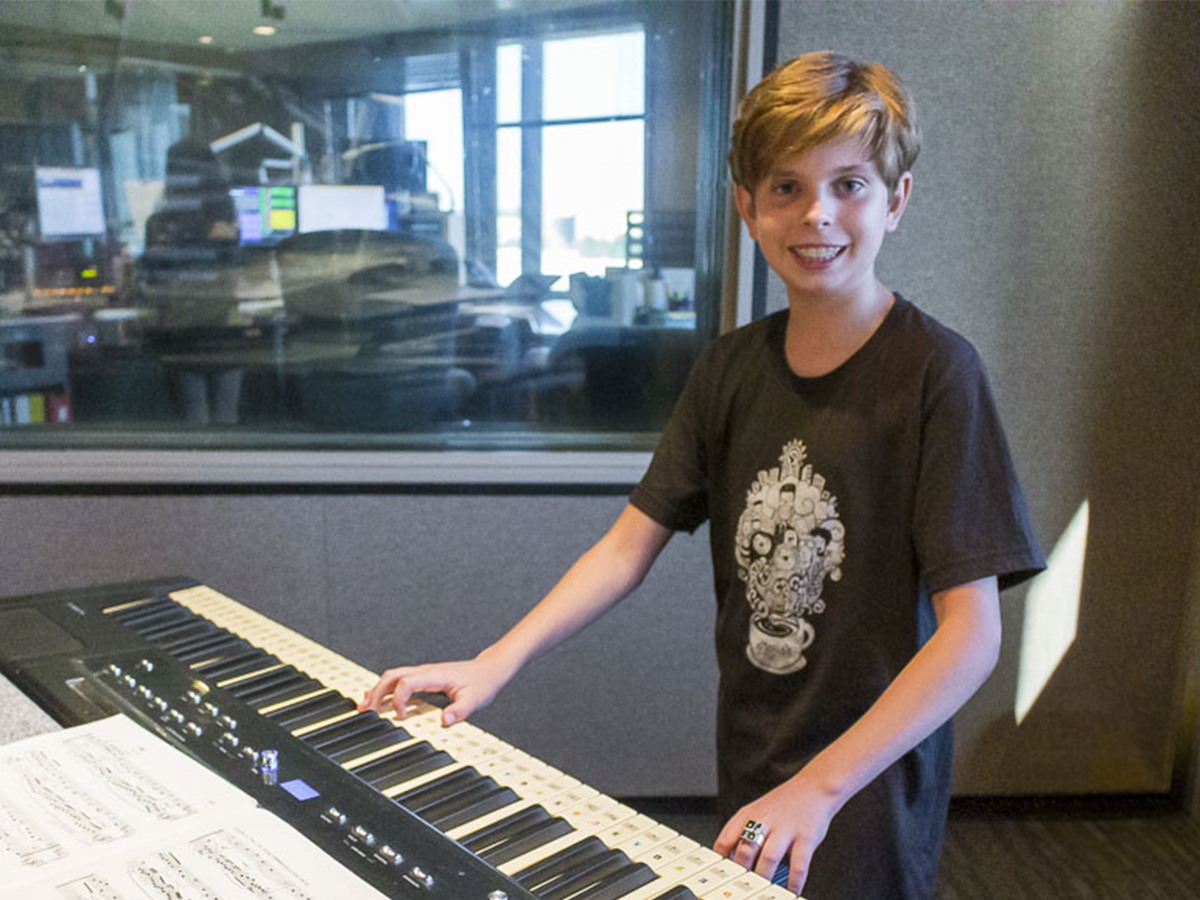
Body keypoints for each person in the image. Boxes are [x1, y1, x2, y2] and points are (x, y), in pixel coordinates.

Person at [360, 51, 1045, 900]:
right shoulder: (728, 371)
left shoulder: (938, 374)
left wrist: (822, 787)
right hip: (756, 753)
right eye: (786, 188)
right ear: (747, 207)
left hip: (866, 780)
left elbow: (970, 634)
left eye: (850, 185)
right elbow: (625, 549)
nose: (816, 216)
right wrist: (495, 661)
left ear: (896, 200)